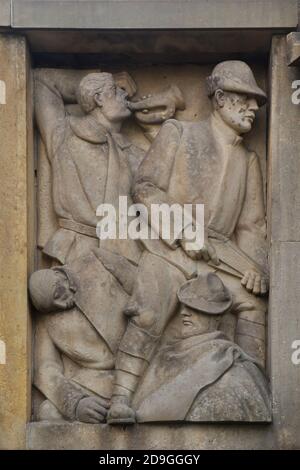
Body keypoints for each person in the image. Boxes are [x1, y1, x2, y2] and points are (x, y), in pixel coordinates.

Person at [107, 61, 269, 424]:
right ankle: (121, 398)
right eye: (245, 98)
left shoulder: (249, 160)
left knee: (253, 304)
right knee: (149, 309)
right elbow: (145, 188)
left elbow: (251, 227)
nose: (253, 108)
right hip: (169, 251)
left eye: (256, 101)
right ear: (221, 99)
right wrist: (183, 232)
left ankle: (251, 387)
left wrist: (255, 269)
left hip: (218, 261)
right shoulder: (178, 132)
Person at [35, 69, 144, 264]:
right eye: (116, 90)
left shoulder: (133, 154)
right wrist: (90, 80)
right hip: (77, 252)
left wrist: (152, 128)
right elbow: (42, 81)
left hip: (125, 257)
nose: (124, 94)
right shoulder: (64, 132)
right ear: (99, 98)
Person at [132, 273, 271, 423]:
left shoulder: (235, 367)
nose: (184, 313)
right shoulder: (165, 355)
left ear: (217, 316)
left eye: (195, 308)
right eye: (185, 307)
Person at [29, 248, 137, 423]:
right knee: (48, 412)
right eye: (53, 307)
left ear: (59, 275)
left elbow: (142, 286)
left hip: (142, 361)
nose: (61, 305)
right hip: (98, 380)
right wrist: (76, 403)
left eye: (58, 295)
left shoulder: (96, 261)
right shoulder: (47, 321)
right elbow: (45, 368)